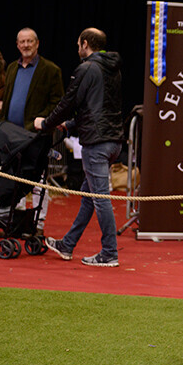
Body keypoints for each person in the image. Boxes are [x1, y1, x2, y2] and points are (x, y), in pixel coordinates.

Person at [35, 28, 123, 267]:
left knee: (99, 198)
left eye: (78, 44)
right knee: (88, 197)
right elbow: (100, 108)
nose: (77, 49)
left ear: (85, 43)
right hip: (113, 141)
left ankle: (109, 252)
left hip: (96, 142)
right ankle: (68, 244)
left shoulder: (86, 68)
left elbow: (68, 102)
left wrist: (46, 123)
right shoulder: (112, 69)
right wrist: (71, 124)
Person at [0, 28, 64, 235]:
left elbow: (57, 102)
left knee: (37, 182)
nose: (26, 45)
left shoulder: (51, 70)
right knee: (12, 181)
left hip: (36, 138)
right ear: (17, 45)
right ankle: (14, 224)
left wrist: (40, 122)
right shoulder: (10, 68)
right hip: (11, 136)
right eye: (22, 42)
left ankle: (38, 226)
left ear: (37, 44)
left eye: (30, 41)